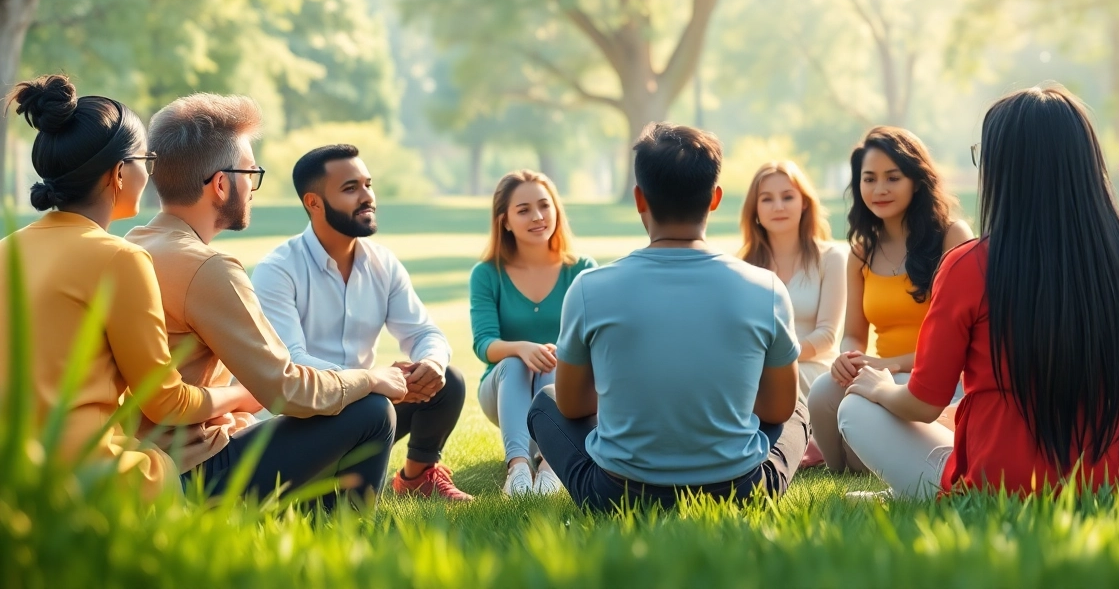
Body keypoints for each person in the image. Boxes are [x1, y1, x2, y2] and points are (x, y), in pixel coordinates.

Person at [839, 86, 1119, 498]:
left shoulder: (968, 264)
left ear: (1003, 167)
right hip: (1115, 478)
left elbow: (923, 403)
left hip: (1001, 482)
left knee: (856, 409)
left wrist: (882, 387)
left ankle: (918, 491)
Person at [125, 94, 409, 508]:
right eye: (250, 172)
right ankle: (340, 535)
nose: (253, 185)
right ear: (221, 184)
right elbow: (286, 389)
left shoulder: (134, 245)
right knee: (372, 411)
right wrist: (369, 378)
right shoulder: (208, 268)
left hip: (147, 461)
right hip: (193, 475)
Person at [0, 76, 260, 498]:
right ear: (121, 174)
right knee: (160, 468)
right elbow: (166, 402)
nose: (152, 174)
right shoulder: (120, 258)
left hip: (11, 470)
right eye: (146, 161)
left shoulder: (5, 250)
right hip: (85, 475)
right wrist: (238, 396)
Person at [526, 123, 809, 512]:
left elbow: (572, 406)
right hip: (741, 493)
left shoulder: (589, 289)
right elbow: (777, 410)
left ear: (639, 199)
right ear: (715, 199)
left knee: (546, 402)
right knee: (797, 404)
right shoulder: (767, 288)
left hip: (617, 495)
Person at [252, 145, 473, 502]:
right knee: (372, 405)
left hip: (365, 408)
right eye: (351, 188)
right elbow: (291, 364)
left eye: (368, 185)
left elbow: (424, 333)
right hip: (296, 419)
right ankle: (319, 482)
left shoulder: (382, 263)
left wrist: (430, 363)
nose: (367, 197)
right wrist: (373, 383)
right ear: (314, 203)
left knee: (448, 380)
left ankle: (417, 477)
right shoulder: (277, 271)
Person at [807, 127, 972, 474]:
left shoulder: (952, 236)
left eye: (892, 178)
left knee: (863, 408)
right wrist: (849, 359)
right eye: (869, 179)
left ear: (916, 180)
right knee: (823, 391)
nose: (879, 189)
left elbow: (962, 341)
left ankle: (870, 456)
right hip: (886, 376)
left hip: (941, 381)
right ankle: (843, 470)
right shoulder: (861, 253)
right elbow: (853, 332)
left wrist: (888, 365)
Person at [469, 170, 596, 497]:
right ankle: (518, 468)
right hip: (504, 390)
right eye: (523, 210)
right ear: (505, 221)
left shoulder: (582, 270)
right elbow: (483, 344)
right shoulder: (486, 274)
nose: (537, 216)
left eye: (544, 205)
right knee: (517, 363)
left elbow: (595, 340)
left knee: (557, 360)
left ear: (556, 210)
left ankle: (551, 466)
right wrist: (522, 348)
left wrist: (555, 354)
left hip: (565, 387)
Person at [738, 161, 845, 397]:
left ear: (804, 203)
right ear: (754, 209)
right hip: (756, 372)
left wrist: (775, 362)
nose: (778, 207)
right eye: (766, 199)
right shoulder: (741, 266)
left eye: (787, 197)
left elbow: (826, 335)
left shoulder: (831, 258)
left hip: (815, 374)